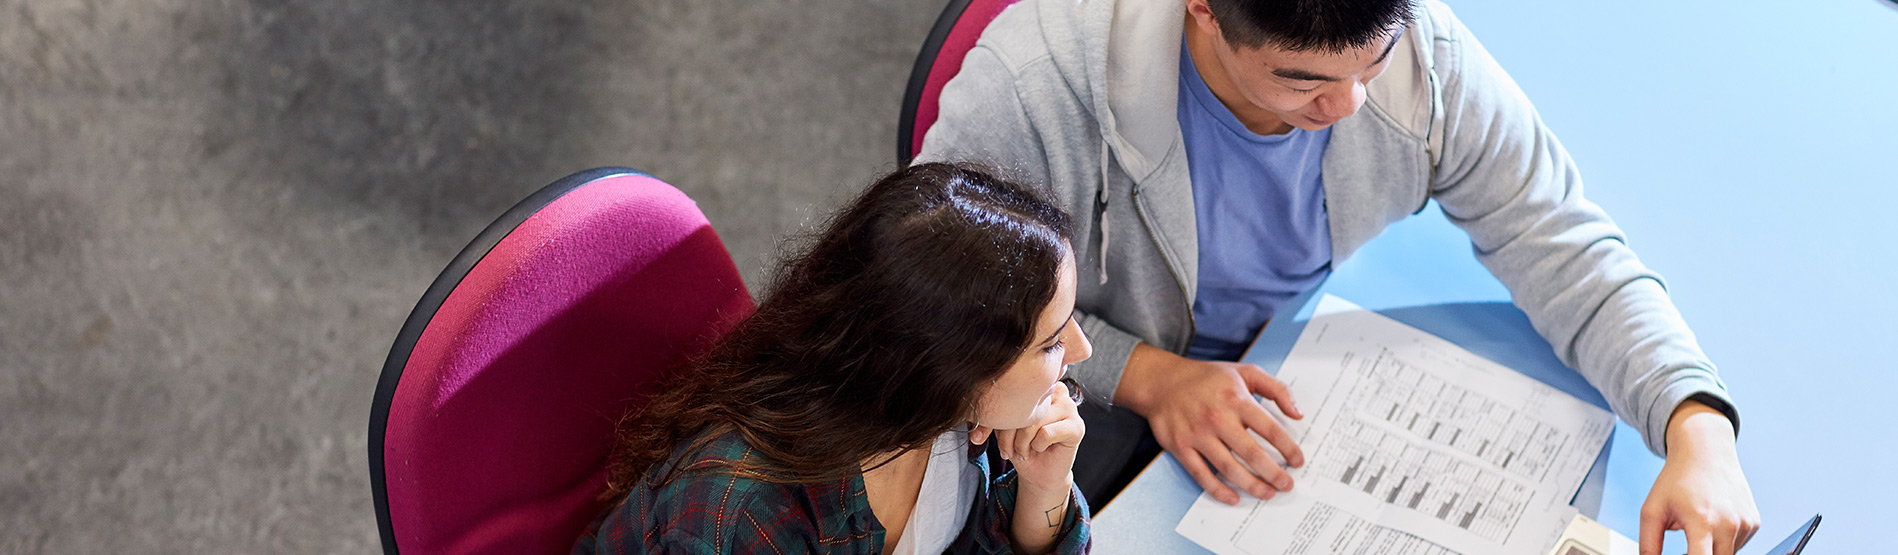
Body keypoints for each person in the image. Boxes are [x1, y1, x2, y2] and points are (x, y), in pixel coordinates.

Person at [916, 1, 1760, 554]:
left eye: (1372, 63)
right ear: (1202, 10)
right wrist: (1147, 377)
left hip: (1277, 372)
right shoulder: (1031, 85)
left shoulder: (1420, 56)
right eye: (1303, 79)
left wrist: (1696, 424)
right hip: (1065, 385)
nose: (1352, 107)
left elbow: (1559, 238)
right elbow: (945, 308)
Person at [574, 163, 1094, 555]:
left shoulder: (963, 420)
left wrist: (1044, 486)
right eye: (1050, 343)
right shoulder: (743, 509)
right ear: (949, 371)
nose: (1081, 350)